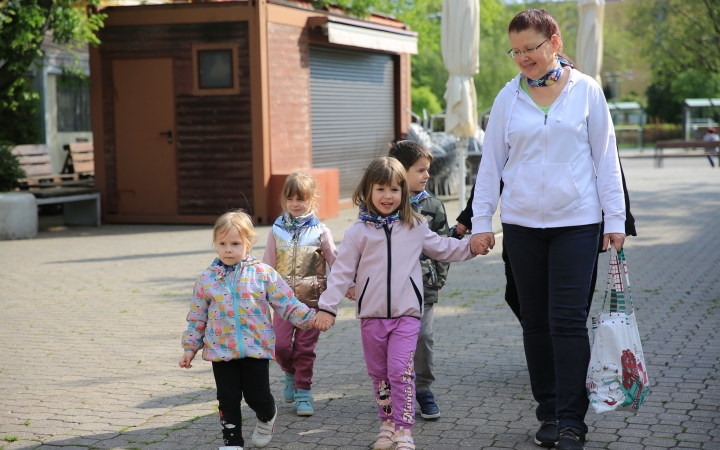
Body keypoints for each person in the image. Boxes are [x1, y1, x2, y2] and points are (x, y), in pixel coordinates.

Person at [469, 9, 626, 450]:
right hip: (521, 226)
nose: (522, 58)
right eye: (515, 51)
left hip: (577, 223)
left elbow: (605, 160)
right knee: (535, 323)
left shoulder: (587, 91)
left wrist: (614, 220)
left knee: (567, 321)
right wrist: (482, 223)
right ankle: (549, 414)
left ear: (553, 42)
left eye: (530, 49)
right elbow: (491, 167)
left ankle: (572, 420)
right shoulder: (507, 98)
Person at [313, 157, 489, 450]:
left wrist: (470, 246)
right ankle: (386, 425)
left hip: (407, 315)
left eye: (394, 189)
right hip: (371, 316)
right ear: (368, 190)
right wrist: (327, 307)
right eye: (380, 188)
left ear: (404, 192)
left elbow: (443, 248)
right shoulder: (357, 232)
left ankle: (404, 430)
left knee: (400, 371)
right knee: (380, 376)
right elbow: (342, 272)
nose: (387, 196)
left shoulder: (416, 225)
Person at [179, 210, 316, 450]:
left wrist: (311, 319)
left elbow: (287, 302)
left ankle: (267, 415)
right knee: (227, 398)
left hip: (256, 349)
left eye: (235, 243)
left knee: (257, 397)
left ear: (248, 243)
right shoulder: (206, 280)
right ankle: (232, 442)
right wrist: (190, 347)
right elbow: (197, 318)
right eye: (222, 244)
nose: (228, 249)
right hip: (221, 352)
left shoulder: (263, 274)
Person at [454, 156, 637, 322]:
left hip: (577, 223)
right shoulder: (511, 118)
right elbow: (494, 164)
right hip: (522, 222)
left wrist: (621, 219)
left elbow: (607, 159)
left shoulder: (590, 118)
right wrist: (470, 217)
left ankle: (563, 347)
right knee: (517, 296)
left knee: (571, 307)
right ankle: (544, 343)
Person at [262, 172, 337, 416]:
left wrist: (347, 285)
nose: (295, 203)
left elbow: (335, 261)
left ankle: (303, 392)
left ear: (312, 200)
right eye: (291, 198)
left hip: (312, 304)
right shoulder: (276, 230)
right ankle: (289, 374)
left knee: (304, 350)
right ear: (284, 200)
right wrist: (260, 290)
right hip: (283, 304)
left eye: (301, 199)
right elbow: (268, 264)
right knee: (281, 347)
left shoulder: (321, 231)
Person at [387, 140, 450, 419]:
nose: (426, 175)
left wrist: (438, 280)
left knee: (423, 338)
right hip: (389, 291)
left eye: (428, 170)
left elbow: (445, 247)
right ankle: (395, 390)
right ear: (400, 171)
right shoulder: (383, 204)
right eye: (420, 170)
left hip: (424, 287)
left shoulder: (433, 205)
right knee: (390, 341)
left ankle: (423, 390)